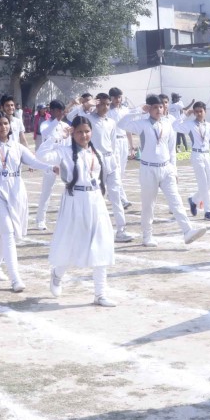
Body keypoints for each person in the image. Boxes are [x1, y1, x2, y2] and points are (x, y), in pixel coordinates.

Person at [0, 111, 59, 292]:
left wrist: (50, 168)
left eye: (5, 123)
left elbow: (33, 162)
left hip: (15, 190)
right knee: (7, 231)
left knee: (11, 233)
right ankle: (15, 279)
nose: (3, 127)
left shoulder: (17, 147)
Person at [38, 116, 116, 306]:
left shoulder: (95, 152)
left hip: (95, 200)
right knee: (70, 242)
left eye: (87, 131)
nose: (84, 135)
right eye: (79, 132)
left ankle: (100, 293)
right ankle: (57, 274)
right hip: (74, 200)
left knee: (101, 242)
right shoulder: (64, 152)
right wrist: (57, 137)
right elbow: (41, 155)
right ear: (73, 133)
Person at [118, 95, 207, 248]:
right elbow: (121, 123)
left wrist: (174, 170)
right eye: (155, 107)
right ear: (149, 109)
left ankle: (187, 231)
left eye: (160, 107)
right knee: (148, 205)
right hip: (148, 169)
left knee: (176, 201)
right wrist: (138, 110)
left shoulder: (168, 123)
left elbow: (172, 149)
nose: (159, 110)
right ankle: (147, 236)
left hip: (166, 169)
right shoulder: (142, 124)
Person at [68, 93, 134, 241]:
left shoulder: (111, 122)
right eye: (101, 104)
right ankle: (96, 230)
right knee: (98, 196)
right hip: (96, 160)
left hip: (111, 160)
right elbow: (71, 116)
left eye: (107, 104)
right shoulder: (89, 119)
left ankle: (121, 230)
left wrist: (116, 162)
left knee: (116, 196)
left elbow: (113, 144)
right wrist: (86, 104)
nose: (105, 107)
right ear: (96, 104)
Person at [174, 101, 210, 221]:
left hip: (207, 155)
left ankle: (194, 200)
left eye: (201, 111)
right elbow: (175, 125)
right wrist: (185, 114)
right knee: (203, 184)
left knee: (209, 184)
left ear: (205, 111)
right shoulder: (190, 125)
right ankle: (208, 211)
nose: (199, 114)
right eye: (196, 112)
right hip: (196, 155)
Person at [33, 100, 68, 230]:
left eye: (61, 111)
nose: (59, 113)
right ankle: (40, 220)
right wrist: (57, 121)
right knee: (47, 191)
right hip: (50, 159)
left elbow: (68, 142)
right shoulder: (45, 124)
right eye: (57, 111)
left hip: (63, 158)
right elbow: (47, 133)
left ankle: (68, 217)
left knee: (70, 187)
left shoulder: (65, 125)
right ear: (51, 111)